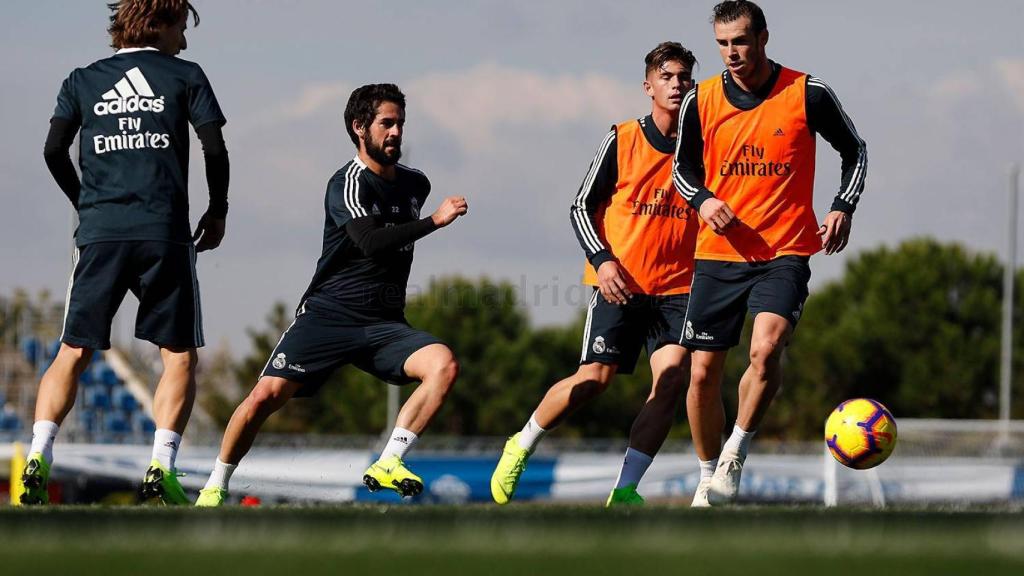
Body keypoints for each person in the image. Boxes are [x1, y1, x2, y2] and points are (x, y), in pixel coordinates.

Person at [195, 83, 467, 506]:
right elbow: (371, 242)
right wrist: (434, 221)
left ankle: (389, 461)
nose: (396, 132)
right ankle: (215, 485)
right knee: (264, 398)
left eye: (400, 123)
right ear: (360, 128)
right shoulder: (346, 183)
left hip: (384, 324)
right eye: (386, 123)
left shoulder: (416, 184)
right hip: (329, 316)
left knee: (444, 365)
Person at [22, 0, 229, 505]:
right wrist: (218, 209)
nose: (184, 40)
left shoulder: (82, 79)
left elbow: (52, 150)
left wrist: (86, 202)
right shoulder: (185, 75)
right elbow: (214, 148)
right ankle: (162, 466)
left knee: (73, 350)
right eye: (181, 28)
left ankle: (38, 453)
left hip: (100, 233)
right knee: (178, 356)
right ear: (160, 25)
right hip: (164, 233)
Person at [673, 0, 867, 505]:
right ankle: (705, 473)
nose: (731, 52)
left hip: (785, 249)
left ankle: (736, 451)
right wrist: (704, 198)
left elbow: (855, 149)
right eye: (722, 43)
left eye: (739, 40)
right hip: (718, 253)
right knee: (701, 373)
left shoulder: (808, 92)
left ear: (762, 37)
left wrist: (843, 205)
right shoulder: (701, 99)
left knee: (764, 348)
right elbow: (682, 169)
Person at [490, 42, 701, 507]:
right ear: (648, 86)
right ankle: (521, 443)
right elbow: (581, 205)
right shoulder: (622, 138)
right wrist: (603, 260)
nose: (677, 84)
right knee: (594, 379)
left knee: (671, 379)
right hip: (620, 284)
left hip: (679, 289)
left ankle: (624, 490)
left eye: (684, 77)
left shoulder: (704, 147)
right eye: (667, 76)